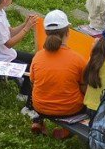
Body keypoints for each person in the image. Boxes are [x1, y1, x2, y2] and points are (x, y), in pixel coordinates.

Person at [29, 10, 86, 138]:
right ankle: (67, 130)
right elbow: (84, 87)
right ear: (68, 32)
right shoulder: (78, 59)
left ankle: (38, 121)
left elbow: (33, 82)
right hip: (69, 110)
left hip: (40, 106)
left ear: (45, 32)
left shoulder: (38, 57)